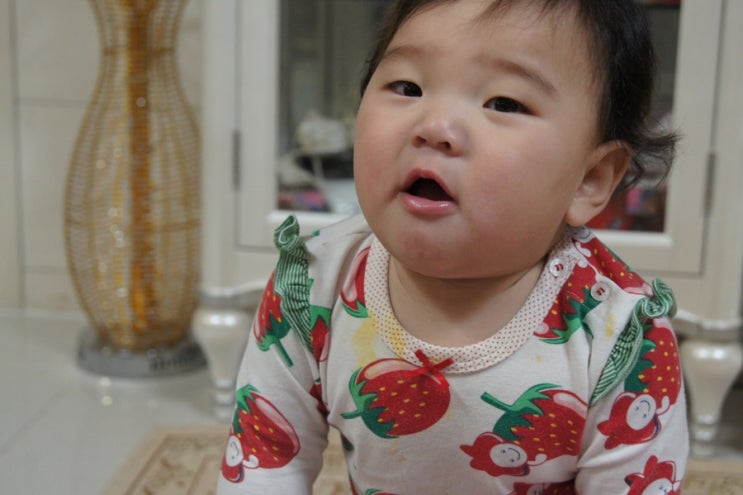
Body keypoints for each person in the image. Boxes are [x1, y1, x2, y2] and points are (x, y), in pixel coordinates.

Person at [217, 0, 689, 493]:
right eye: (408, 87)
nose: (435, 127)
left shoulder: (620, 337)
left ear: (589, 179)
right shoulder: (312, 286)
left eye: (503, 103)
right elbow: (264, 460)